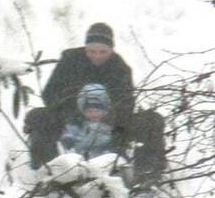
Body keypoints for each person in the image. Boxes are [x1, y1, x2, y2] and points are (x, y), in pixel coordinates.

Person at [25, 22, 167, 180]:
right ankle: (48, 174)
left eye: (102, 52)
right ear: (85, 47)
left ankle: (146, 177)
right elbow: (49, 94)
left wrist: (106, 116)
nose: (97, 56)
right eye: (91, 51)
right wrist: (76, 112)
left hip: (110, 126)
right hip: (70, 120)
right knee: (37, 116)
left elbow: (127, 104)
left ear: (111, 49)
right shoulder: (70, 60)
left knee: (152, 120)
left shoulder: (120, 68)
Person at [60, 84, 117, 160]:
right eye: (89, 111)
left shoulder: (110, 128)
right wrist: (69, 139)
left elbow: (114, 143)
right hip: (81, 159)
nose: (93, 114)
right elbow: (69, 139)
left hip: (104, 160)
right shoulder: (77, 126)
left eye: (97, 111)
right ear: (83, 112)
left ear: (104, 112)